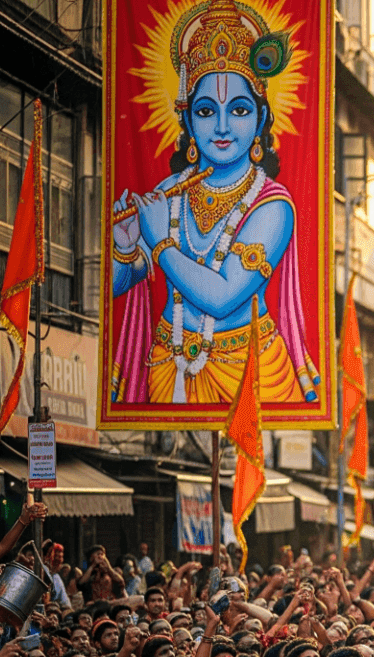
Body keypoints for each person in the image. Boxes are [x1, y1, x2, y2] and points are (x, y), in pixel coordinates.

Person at [108, 0, 321, 407]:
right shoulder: (170, 191)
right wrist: (124, 246)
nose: (222, 127)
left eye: (238, 109)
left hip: (249, 369)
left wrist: (159, 243)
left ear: (260, 119)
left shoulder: (273, 204)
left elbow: (224, 297)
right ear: (187, 120)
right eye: (206, 111)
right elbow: (121, 285)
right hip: (168, 364)